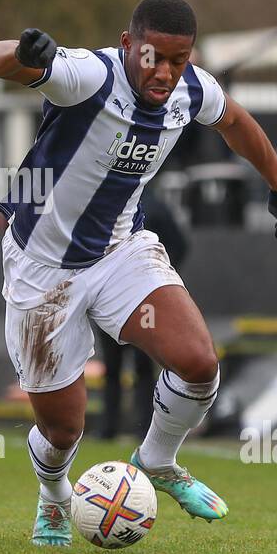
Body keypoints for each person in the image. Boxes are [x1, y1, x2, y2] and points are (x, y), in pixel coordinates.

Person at [0, 0, 277, 546]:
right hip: (42, 269)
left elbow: (237, 122)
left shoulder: (191, 89)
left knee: (199, 364)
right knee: (64, 430)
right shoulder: (88, 75)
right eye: (154, 58)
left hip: (119, 253)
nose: (166, 73)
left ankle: (156, 459)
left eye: (180, 60)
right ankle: (54, 496)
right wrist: (24, 49)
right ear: (129, 44)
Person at [96, 186, 189, 440]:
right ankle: (145, 426)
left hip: (111, 296)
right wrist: (161, 275)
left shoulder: (113, 203)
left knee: (114, 366)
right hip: (144, 297)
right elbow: (181, 244)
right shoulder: (156, 205)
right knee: (142, 365)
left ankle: (109, 426)